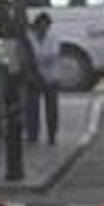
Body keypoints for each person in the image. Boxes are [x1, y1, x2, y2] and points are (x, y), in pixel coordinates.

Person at [25, 12, 62, 146]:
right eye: (40, 25)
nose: (43, 28)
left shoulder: (53, 37)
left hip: (51, 78)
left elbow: (54, 54)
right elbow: (26, 56)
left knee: (51, 108)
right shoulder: (29, 37)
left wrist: (35, 59)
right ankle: (33, 134)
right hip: (33, 78)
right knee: (32, 108)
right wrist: (35, 60)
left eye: (46, 26)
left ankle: (52, 134)